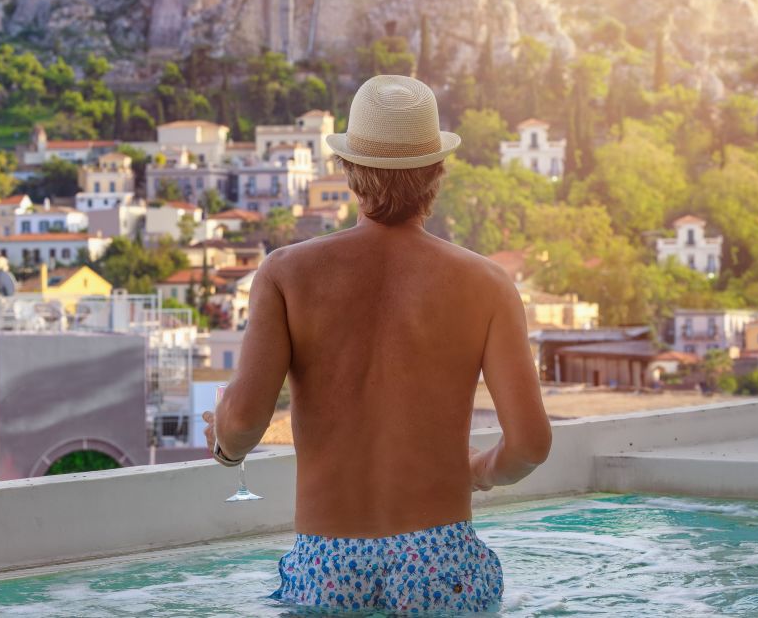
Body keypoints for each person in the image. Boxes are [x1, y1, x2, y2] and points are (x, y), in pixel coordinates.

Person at [204, 75, 551, 613]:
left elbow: (246, 421)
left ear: (347, 170)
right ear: (437, 171)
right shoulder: (487, 284)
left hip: (329, 562)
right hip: (443, 561)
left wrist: (226, 443)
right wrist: (477, 472)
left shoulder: (285, 274)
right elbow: (530, 445)